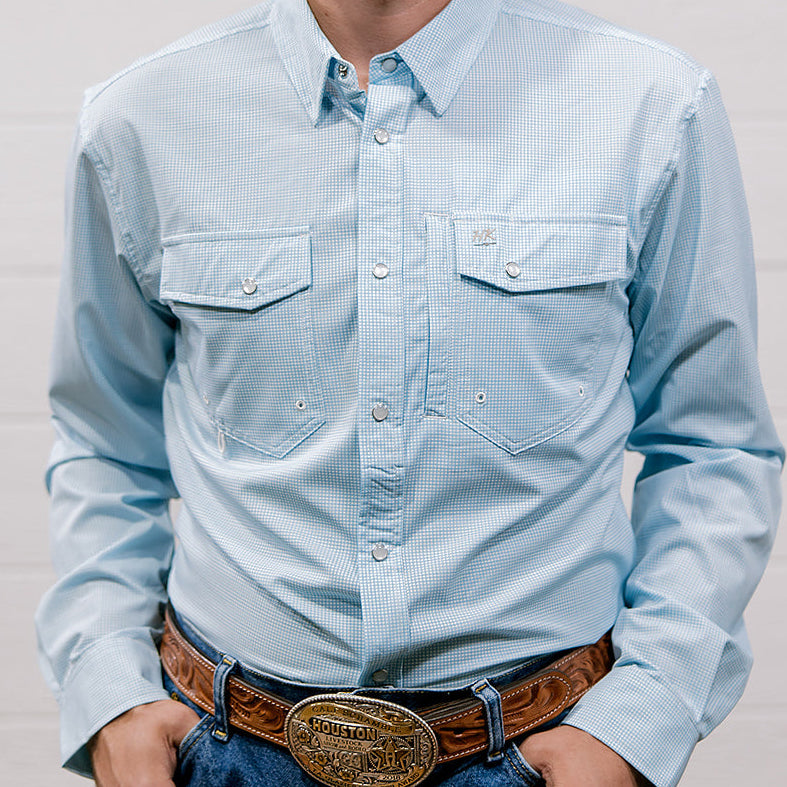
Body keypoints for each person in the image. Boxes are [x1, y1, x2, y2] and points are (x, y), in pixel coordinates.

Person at [36, 0, 783, 785]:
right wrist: (111, 691)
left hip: (540, 754)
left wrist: (639, 720)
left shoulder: (650, 104)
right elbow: (103, 442)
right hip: (225, 752)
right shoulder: (142, 117)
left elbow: (713, 444)